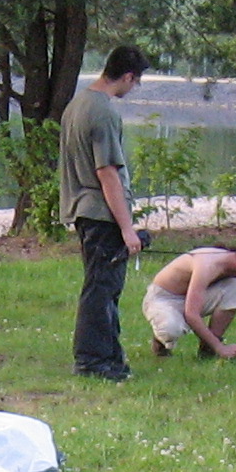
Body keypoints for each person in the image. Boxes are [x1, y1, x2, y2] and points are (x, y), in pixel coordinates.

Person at [61, 45, 152, 381]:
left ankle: (110, 359)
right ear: (127, 76)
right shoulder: (103, 112)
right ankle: (92, 361)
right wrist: (127, 229)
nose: (134, 87)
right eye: (136, 81)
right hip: (101, 213)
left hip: (85, 210)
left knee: (104, 288)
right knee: (101, 290)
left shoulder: (77, 104)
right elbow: (107, 172)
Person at [144, 239, 236, 363]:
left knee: (235, 287)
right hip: (164, 298)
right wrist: (221, 348)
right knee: (171, 329)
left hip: (190, 299)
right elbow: (192, 314)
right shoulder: (208, 265)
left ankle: (207, 351)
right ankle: (161, 344)